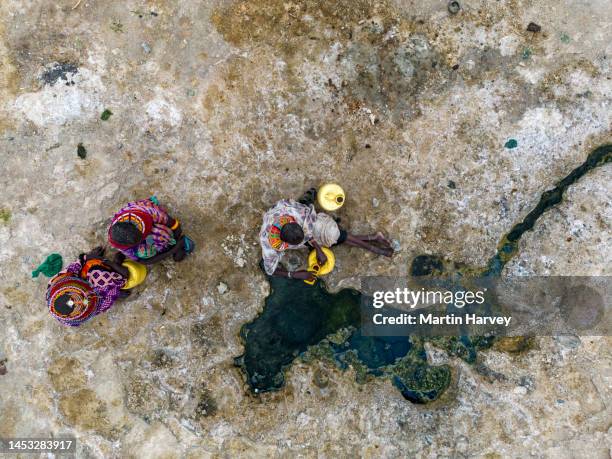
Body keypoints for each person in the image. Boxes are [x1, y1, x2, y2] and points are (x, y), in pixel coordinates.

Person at [259, 193, 393, 280]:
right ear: (285, 242)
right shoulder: (268, 243)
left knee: (332, 234)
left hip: (305, 223)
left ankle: (374, 243)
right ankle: (373, 239)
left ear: (293, 222)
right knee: (334, 239)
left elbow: (309, 225)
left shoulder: (292, 213)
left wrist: (317, 247)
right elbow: (270, 270)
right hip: (298, 232)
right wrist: (294, 274)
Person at [46, 247, 129, 326]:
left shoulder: (59, 282)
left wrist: (87, 258)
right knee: (107, 281)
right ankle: (115, 285)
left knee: (90, 265)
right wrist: (109, 263)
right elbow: (125, 273)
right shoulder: (92, 307)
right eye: (83, 298)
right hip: (92, 295)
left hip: (80, 280)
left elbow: (74, 267)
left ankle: (112, 286)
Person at [108, 197, 193, 264]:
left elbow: (174, 225)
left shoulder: (147, 214)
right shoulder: (118, 242)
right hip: (141, 231)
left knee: (158, 234)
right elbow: (141, 261)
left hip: (143, 213)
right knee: (143, 253)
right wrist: (173, 249)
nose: (141, 241)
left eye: (141, 238)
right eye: (137, 242)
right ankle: (167, 246)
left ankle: (168, 243)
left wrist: (176, 238)